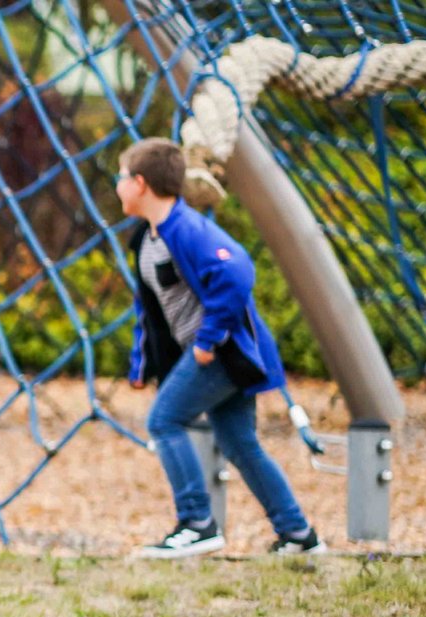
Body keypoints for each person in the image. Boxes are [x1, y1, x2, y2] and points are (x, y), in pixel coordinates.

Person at [117, 137, 325, 558]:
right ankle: (298, 534)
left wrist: (208, 341)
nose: (116, 187)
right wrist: (142, 363)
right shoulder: (147, 239)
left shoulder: (187, 228)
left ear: (140, 184)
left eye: (120, 178)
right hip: (208, 351)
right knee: (238, 443)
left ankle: (197, 521)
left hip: (225, 353)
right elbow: (148, 310)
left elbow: (236, 273)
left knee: (164, 421)